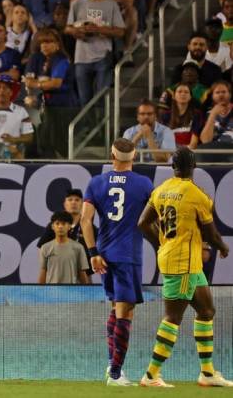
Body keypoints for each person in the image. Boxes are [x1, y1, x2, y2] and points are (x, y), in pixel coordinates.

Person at [137, 147, 233, 388]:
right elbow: (210, 233)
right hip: (183, 263)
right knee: (173, 317)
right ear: (194, 166)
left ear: (172, 166)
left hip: (185, 261)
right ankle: (151, 375)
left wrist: (160, 242)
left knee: (207, 311)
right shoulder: (196, 194)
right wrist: (222, 245)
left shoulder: (161, 190)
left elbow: (142, 223)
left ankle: (208, 374)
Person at [80, 138, 154, 386]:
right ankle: (115, 372)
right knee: (125, 311)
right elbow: (153, 220)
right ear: (133, 157)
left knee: (115, 308)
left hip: (104, 253)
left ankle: (112, 366)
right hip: (128, 254)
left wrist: (92, 253)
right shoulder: (144, 184)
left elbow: (85, 221)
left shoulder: (96, 182)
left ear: (111, 154)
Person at [66, 0, 125, 105]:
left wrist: (99, 29)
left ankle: (102, 126)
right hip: (81, 57)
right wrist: (77, 31)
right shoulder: (78, 3)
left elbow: (121, 31)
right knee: (84, 99)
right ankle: (87, 126)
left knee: (101, 99)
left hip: (103, 56)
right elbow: (68, 28)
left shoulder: (111, 4)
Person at [24, 28, 78, 158]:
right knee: (44, 139)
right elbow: (28, 82)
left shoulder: (62, 60)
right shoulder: (36, 58)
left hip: (63, 106)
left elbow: (56, 83)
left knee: (59, 140)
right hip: (44, 105)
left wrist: (39, 83)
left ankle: (65, 163)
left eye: (48, 42)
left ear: (57, 45)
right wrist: (43, 83)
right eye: (42, 42)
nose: (44, 45)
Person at [38, 211, 90, 284]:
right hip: (51, 292)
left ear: (69, 226)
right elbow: (43, 271)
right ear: (52, 226)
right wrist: (41, 291)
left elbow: (82, 273)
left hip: (72, 292)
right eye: (57, 223)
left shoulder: (78, 248)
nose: (60, 226)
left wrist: (85, 292)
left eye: (64, 224)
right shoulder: (45, 248)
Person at [162, 83, 202, 148]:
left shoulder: (196, 114)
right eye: (179, 91)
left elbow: (194, 143)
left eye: (186, 92)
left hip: (189, 153)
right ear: (173, 96)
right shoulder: (166, 115)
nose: (183, 94)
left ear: (190, 97)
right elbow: (165, 140)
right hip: (170, 152)